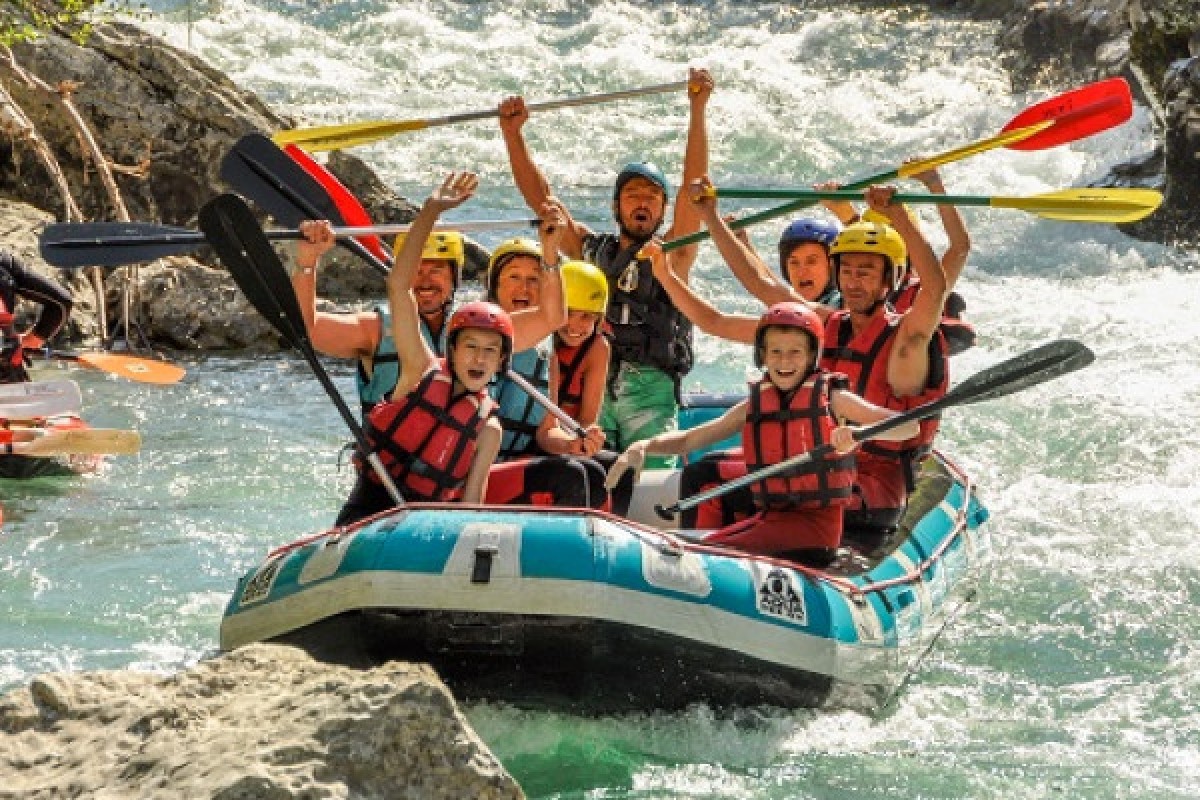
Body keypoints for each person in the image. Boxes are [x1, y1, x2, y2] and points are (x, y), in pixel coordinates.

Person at [498, 67, 714, 467]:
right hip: (594, 384)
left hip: (650, 389)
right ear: (616, 206)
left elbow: (694, 186)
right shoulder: (591, 251)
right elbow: (544, 202)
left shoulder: (674, 254)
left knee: (648, 475)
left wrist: (698, 107)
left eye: (652, 197)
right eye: (632, 195)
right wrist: (513, 135)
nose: (642, 202)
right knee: (591, 472)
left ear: (663, 209)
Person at [605, 302, 918, 567]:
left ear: (812, 356)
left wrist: (859, 433)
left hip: (815, 531)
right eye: (775, 352)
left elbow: (909, 426)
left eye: (795, 352)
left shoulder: (833, 398)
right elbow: (691, 439)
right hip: (772, 518)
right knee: (695, 522)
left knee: (698, 551)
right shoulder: (756, 402)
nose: (784, 361)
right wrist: (644, 446)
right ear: (762, 356)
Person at [323, 172, 509, 526]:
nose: (479, 358)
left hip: (423, 527)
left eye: (490, 351)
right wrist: (430, 212)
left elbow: (472, 503)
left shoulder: (490, 429)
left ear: (501, 362)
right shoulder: (419, 369)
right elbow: (398, 286)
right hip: (369, 510)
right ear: (451, 351)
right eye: (470, 346)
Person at [293, 206, 566, 417]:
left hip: (462, 465)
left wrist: (551, 251)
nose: (425, 281)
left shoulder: (479, 326)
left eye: (436, 270)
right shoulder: (375, 329)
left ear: (454, 279)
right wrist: (308, 261)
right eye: (417, 270)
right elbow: (307, 329)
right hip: (391, 465)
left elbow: (552, 317)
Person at [480, 223, 604, 509]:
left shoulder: (546, 353)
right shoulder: (477, 332)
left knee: (597, 470)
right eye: (514, 277)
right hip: (474, 472)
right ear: (495, 286)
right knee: (569, 477)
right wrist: (550, 251)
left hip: (514, 461)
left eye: (534, 279)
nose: (524, 287)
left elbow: (547, 431)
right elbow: (550, 317)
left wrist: (571, 444)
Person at [0, 249, 73, 384]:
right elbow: (62, 302)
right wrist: (35, 338)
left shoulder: (6, 264)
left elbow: (61, 302)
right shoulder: (5, 263)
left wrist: (31, 339)